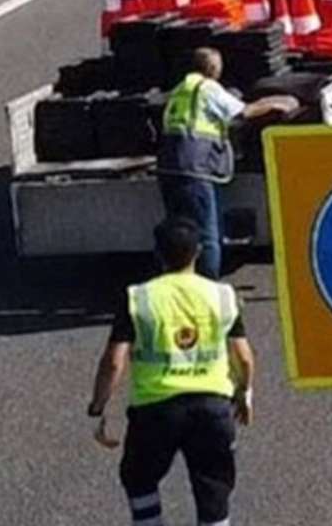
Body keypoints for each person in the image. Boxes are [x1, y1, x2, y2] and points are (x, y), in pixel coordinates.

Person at [88, 217, 256, 526]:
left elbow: (114, 361)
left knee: (139, 480)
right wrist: (244, 393)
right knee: (214, 489)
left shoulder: (138, 298)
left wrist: (99, 407)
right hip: (212, 409)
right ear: (198, 252)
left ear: (158, 254)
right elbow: (244, 357)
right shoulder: (222, 296)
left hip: (155, 412)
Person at [157, 47, 298, 279]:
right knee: (207, 235)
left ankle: (177, 281)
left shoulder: (180, 91)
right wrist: (275, 104)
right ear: (213, 68)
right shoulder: (207, 88)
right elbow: (242, 112)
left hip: (168, 167)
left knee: (177, 231)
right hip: (196, 168)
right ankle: (208, 285)